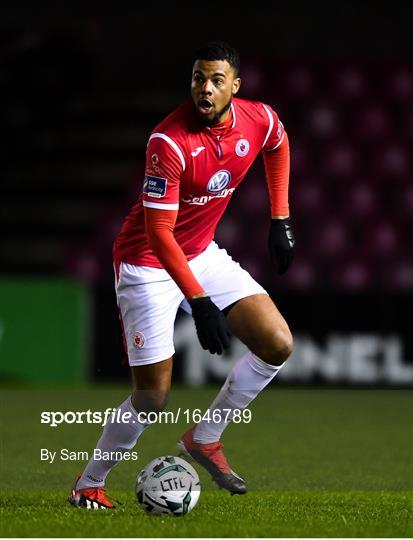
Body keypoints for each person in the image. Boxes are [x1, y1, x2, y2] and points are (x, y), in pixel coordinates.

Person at [69, 41, 295, 509]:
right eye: (198, 79)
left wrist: (280, 217)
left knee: (277, 343)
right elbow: (158, 233)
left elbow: (278, 143)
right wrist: (198, 300)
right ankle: (89, 483)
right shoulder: (168, 142)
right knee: (152, 399)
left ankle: (205, 438)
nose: (205, 89)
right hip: (147, 263)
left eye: (216, 80)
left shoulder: (257, 118)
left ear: (236, 85)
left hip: (200, 254)